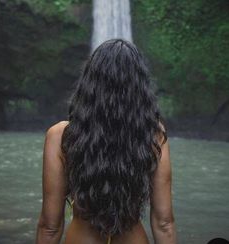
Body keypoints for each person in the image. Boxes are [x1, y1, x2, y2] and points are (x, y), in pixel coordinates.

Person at [35, 38, 177, 244]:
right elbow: (164, 223)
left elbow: (49, 226)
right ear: (139, 87)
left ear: (89, 83)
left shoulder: (60, 136)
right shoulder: (153, 135)